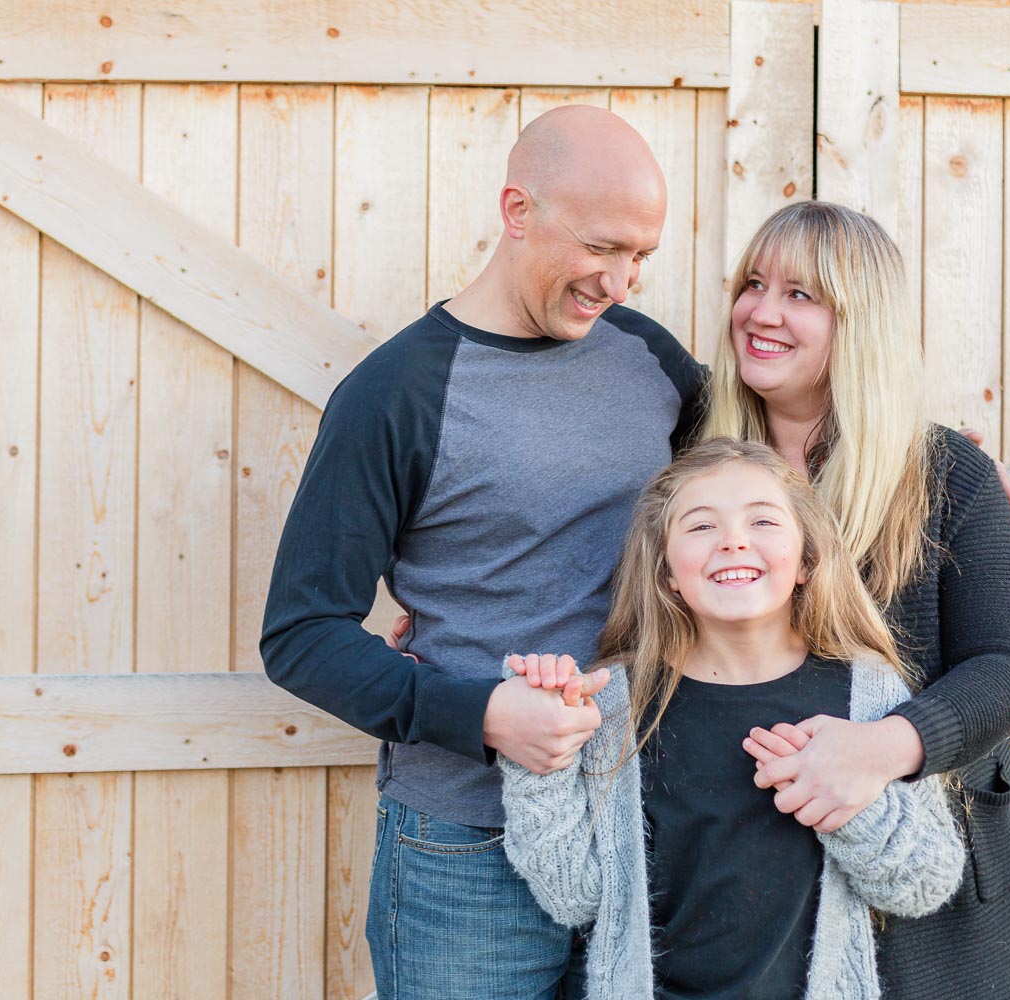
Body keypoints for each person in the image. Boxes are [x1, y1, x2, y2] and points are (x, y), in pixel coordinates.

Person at [259, 105, 707, 999]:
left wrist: (939, 468)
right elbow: (301, 634)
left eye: (641, 258)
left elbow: (758, 501)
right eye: (602, 248)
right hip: (466, 848)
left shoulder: (651, 361)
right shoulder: (395, 393)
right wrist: (487, 716)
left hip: (640, 823)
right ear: (516, 211)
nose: (621, 282)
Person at [703, 200, 1010, 998]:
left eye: (801, 295)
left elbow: (1008, 667)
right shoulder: (697, 460)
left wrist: (880, 748)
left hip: (929, 881)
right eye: (754, 284)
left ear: (860, 324)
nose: (761, 311)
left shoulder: (945, 475)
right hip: (748, 866)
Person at [499, 438, 966, 999]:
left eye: (763, 520)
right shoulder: (612, 702)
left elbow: (924, 882)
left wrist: (848, 803)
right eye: (700, 527)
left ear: (805, 559)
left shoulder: (867, 694)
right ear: (667, 571)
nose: (734, 541)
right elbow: (572, 894)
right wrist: (539, 758)